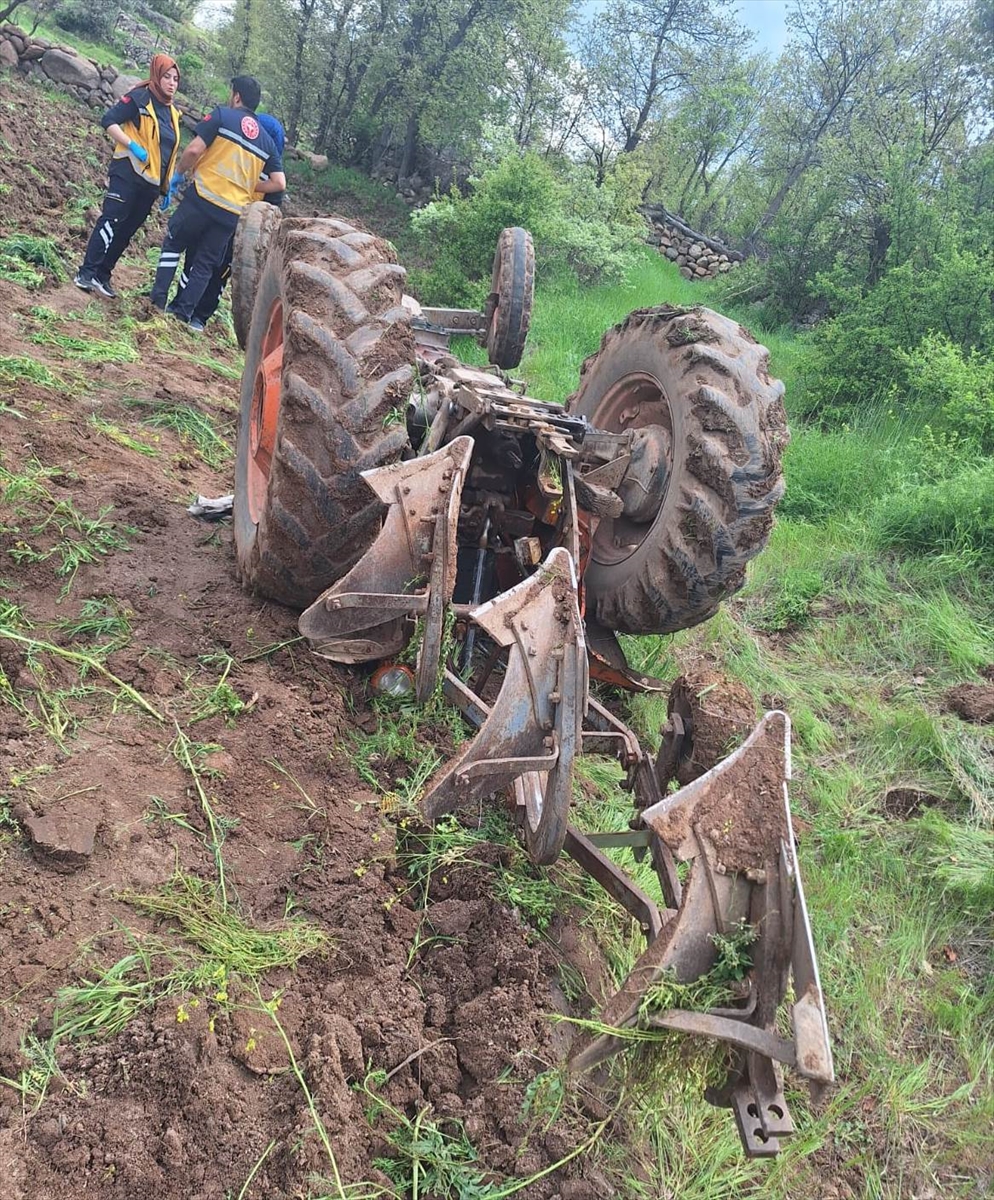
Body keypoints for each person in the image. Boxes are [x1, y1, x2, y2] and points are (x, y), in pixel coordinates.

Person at [151, 75, 285, 328]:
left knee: (173, 243)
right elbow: (279, 183)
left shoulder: (223, 116)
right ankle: (181, 314)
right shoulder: (267, 142)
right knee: (205, 263)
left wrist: (178, 175)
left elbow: (193, 150)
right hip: (232, 213)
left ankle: (156, 302)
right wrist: (248, 185)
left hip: (202, 198)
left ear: (236, 96)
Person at [75, 55, 182, 299]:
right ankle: (86, 272)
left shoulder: (174, 113)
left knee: (127, 230)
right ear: (156, 75)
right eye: (167, 77)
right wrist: (131, 144)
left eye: (175, 79)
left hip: (151, 183)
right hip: (128, 171)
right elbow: (109, 121)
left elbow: (168, 152)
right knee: (112, 220)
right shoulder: (139, 98)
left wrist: (167, 187)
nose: (172, 83)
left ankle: (103, 275)